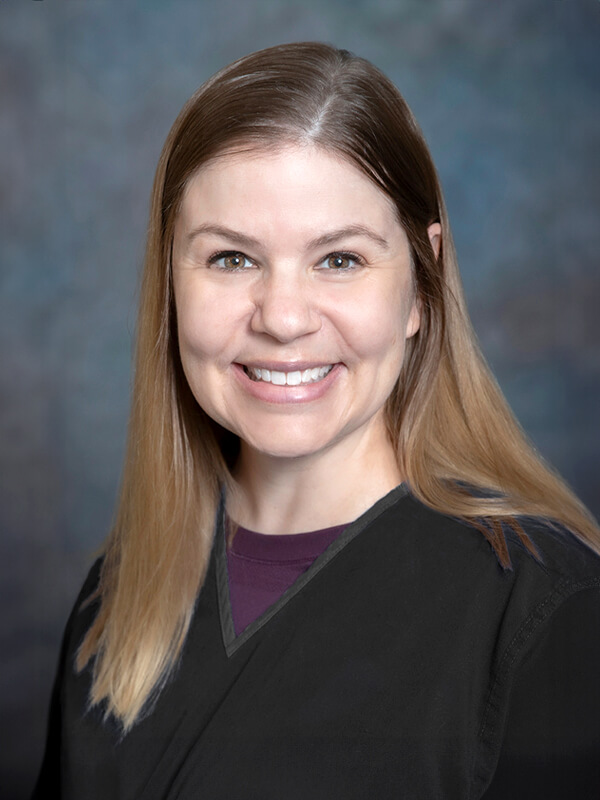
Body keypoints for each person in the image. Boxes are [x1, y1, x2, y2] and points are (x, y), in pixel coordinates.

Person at [33, 42, 600, 799]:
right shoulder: (118, 596)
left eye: (339, 260)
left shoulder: (546, 613)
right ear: (170, 279)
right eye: (232, 258)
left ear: (422, 286)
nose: (285, 318)